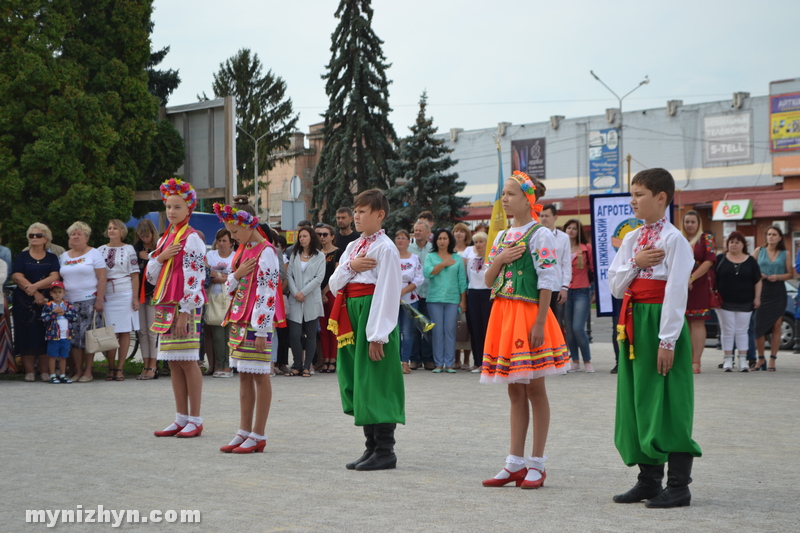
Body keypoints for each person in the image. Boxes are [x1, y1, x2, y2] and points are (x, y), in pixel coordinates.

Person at [608, 168, 701, 509]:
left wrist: (667, 341)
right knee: (638, 400)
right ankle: (649, 480)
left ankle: (678, 485)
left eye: (639, 194)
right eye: (632, 194)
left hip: (660, 324)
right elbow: (616, 286)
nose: (632, 200)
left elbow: (677, 291)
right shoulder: (633, 239)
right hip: (633, 326)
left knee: (671, 400)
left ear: (661, 198)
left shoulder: (674, 240)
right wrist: (636, 262)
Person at [481, 171, 568, 490]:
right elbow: (488, 280)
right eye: (503, 193)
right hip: (503, 315)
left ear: (528, 199)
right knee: (514, 389)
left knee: (535, 389)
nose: (505, 199)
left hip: (529, 313)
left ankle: (538, 463)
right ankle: (514, 463)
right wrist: (501, 258)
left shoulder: (540, 234)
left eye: (512, 194)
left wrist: (542, 322)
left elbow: (549, 279)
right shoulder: (503, 237)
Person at [328, 189, 404, 471]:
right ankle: (370, 447)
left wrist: (378, 336)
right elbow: (335, 283)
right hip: (352, 315)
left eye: (362, 211)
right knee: (359, 380)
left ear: (379, 215)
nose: (356, 216)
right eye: (355, 211)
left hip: (372, 317)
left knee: (377, 381)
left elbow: (387, 292)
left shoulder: (385, 248)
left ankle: (385, 449)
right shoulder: (353, 247)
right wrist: (351, 265)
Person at [214, 199, 282, 453]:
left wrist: (263, 329)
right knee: (244, 375)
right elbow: (230, 286)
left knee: (260, 376)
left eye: (234, 231)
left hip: (257, 321)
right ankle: (243, 430)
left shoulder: (266, 251)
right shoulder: (244, 250)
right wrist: (238, 273)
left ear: (248, 224)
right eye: (230, 233)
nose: (232, 237)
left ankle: (259, 433)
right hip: (239, 318)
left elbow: (268, 291)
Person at [147, 178, 206, 439]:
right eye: (169, 207)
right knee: (173, 361)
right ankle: (180, 417)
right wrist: (161, 256)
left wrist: (185, 311)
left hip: (184, 306)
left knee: (188, 360)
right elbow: (151, 275)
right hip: (166, 304)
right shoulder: (165, 238)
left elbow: (196, 277)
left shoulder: (192, 238)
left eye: (177, 207)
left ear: (188, 209)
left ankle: (195, 418)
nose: (171, 211)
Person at [11, 223, 61, 382]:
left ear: (46, 238)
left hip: (46, 301)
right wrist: (35, 292)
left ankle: (44, 371)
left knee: (45, 334)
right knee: (25, 334)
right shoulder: (22, 256)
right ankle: (29, 371)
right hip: (24, 301)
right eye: (31, 235)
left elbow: (55, 277)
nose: (34, 238)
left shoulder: (52, 257)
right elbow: (17, 276)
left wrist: (35, 287)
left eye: (38, 235)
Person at [59, 221, 106, 383]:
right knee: (74, 339)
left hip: (89, 301)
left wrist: (99, 300)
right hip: (69, 304)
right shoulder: (63, 256)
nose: (75, 236)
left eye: (79, 234)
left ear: (86, 237)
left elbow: (102, 277)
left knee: (88, 338)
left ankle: (88, 371)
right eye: (73, 234)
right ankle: (78, 371)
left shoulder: (94, 253)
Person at [97, 219, 140, 381]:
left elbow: (135, 275)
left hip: (124, 292)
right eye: (109, 228)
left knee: (124, 331)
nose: (111, 230)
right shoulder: (99, 250)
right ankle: (110, 366)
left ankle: (120, 367)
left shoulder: (129, 249)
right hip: (106, 294)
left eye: (115, 228)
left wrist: (135, 298)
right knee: (110, 331)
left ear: (122, 231)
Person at [714, 232, 762, 372]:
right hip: (724, 302)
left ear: (743, 245)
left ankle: (743, 360)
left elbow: (758, 280)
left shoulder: (751, 261)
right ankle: (728, 359)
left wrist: (757, 298)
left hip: (745, 301)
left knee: (742, 330)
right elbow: (712, 279)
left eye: (737, 242)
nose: (733, 245)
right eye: (731, 242)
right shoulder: (720, 259)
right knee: (727, 330)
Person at [424, 228, 467, 373]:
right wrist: (443, 264)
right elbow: (428, 273)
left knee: (450, 331)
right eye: (439, 238)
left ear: (450, 240)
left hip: (453, 299)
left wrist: (463, 301)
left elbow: (462, 281)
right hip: (434, 299)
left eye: (445, 238)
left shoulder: (458, 258)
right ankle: (438, 363)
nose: (442, 241)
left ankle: (449, 363)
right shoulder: (430, 256)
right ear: (435, 241)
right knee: (437, 331)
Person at [753, 226, 793, 371]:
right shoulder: (759, 251)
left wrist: (779, 276)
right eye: (769, 234)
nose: (771, 237)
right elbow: (750, 268)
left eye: (774, 234)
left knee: (777, 326)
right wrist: (759, 275)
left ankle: (772, 360)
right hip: (762, 290)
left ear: (780, 237)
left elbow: (791, 274)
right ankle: (761, 358)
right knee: (758, 327)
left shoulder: (785, 253)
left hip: (778, 292)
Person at [286, 227, 325, 377]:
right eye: (300, 236)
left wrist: (304, 292)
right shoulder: (295, 254)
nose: (301, 239)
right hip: (296, 298)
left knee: (311, 334)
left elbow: (319, 278)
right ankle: (297, 365)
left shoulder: (320, 256)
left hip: (311, 298)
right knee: (295, 334)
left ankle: (307, 366)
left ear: (311, 237)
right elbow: (289, 275)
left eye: (304, 236)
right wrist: (296, 292)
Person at [680, 210, 716, 374]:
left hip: (698, 284)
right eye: (687, 222)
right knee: (683, 322)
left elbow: (709, 261)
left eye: (693, 222)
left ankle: (696, 362)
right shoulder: (678, 238)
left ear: (698, 223)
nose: (689, 225)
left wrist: (692, 278)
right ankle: (685, 359)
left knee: (697, 321)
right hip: (680, 285)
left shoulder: (706, 238)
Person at [538, 204, 571, 358]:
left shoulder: (563, 237)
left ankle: (558, 354)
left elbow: (566, 263)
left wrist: (565, 287)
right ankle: (542, 353)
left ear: (555, 217)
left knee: (556, 323)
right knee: (539, 321)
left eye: (547, 216)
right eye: (541, 215)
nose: (544, 218)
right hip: (539, 285)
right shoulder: (536, 235)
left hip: (556, 286)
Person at [563, 219, 595, 373]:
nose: (571, 231)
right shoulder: (561, 248)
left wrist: (594, 292)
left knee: (578, 327)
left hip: (582, 290)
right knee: (568, 328)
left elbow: (593, 270)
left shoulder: (586, 248)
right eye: (568, 228)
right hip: (565, 291)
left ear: (579, 231)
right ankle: (575, 361)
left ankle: (587, 360)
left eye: (574, 228)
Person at [205, 228, 235, 378]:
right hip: (214, 299)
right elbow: (207, 273)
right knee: (217, 335)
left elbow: (239, 276)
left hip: (231, 299)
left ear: (231, 243)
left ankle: (229, 365)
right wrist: (226, 276)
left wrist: (221, 277)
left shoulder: (236, 257)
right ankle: (220, 364)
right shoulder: (210, 255)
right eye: (219, 241)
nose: (221, 244)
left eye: (225, 241)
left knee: (229, 334)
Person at [461, 232, 491, 372]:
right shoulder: (470, 259)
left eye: (481, 241)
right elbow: (467, 278)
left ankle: (488, 361)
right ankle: (478, 361)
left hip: (487, 294)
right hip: (473, 293)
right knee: (475, 329)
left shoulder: (492, 259)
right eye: (476, 242)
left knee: (487, 329)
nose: (478, 244)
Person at [395, 229, 423, 374]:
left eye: (403, 238)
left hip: (409, 299)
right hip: (392, 299)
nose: (400, 240)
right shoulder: (391, 257)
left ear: (408, 241)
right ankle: (395, 361)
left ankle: (405, 361)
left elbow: (418, 278)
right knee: (394, 331)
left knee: (407, 331)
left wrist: (403, 292)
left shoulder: (414, 258)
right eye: (398, 237)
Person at [134, 219, 159, 379]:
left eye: (147, 236)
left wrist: (149, 257)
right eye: (142, 236)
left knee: (152, 332)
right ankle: (145, 364)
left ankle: (154, 365)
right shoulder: (135, 249)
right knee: (142, 331)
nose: (145, 239)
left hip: (153, 293)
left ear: (153, 233)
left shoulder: (159, 248)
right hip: (139, 294)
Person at [409, 220, 435, 370]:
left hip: (429, 293)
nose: (417, 232)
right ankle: (414, 359)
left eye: (420, 230)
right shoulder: (408, 248)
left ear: (427, 233)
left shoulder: (433, 249)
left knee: (427, 326)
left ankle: (428, 359)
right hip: (413, 294)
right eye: (415, 230)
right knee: (413, 327)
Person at [41, 281, 77, 384]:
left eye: (59, 292)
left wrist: (64, 313)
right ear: (51, 293)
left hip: (65, 335)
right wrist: (54, 313)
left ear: (64, 293)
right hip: (53, 336)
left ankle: (62, 375)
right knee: (52, 356)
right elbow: (44, 318)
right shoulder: (48, 305)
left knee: (63, 356)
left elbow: (74, 316)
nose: (57, 294)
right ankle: (52, 375)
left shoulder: (68, 304)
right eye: (55, 292)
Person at [316, 223, 340, 373]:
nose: (322, 237)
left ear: (332, 237)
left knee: (333, 327)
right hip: (316, 293)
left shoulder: (338, 253)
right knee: (322, 329)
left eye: (325, 234)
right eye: (320, 235)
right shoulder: (317, 253)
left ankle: (333, 359)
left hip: (331, 292)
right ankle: (325, 359)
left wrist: (324, 292)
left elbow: (337, 275)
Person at [452, 222, 472, 369]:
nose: (458, 234)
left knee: (466, 325)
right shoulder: (450, 251)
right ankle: (456, 358)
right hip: (453, 292)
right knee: (456, 326)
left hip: (468, 291)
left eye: (462, 231)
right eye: (456, 231)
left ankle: (466, 360)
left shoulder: (471, 250)